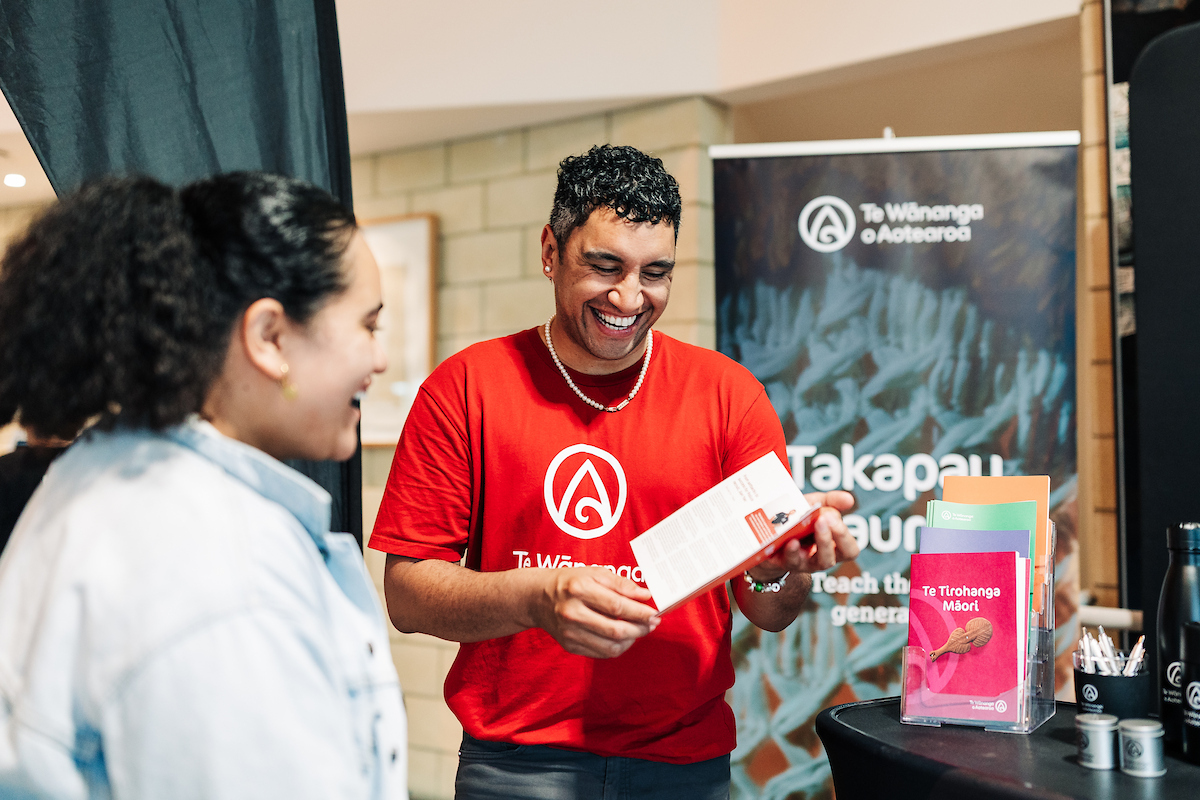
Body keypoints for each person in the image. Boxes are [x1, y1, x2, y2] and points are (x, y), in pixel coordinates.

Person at [369, 144, 858, 799]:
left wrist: (781, 570)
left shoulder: (729, 395)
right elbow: (405, 596)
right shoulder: (466, 388)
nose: (629, 297)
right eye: (604, 266)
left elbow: (768, 613)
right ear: (550, 251)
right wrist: (536, 598)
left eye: (655, 272)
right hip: (516, 768)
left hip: (685, 768)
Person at [0, 173, 407, 799]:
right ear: (270, 337)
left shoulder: (106, 476)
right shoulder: (224, 573)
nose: (379, 359)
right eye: (368, 326)